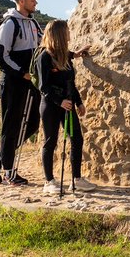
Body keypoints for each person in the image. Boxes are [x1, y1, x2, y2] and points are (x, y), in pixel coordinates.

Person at [0, 0, 42, 185]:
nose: (35, 2)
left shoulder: (33, 23)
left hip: (30, 82)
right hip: (13, 83)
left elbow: (44, 47)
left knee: (34, 123)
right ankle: (9, 173)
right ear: (21, 1)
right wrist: (21, 73)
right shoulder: (10, 23)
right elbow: (1, 56)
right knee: (10, 127)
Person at [36, 19, 94, 195]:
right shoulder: (44, 57)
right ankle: (49, 181)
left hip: (67, 107)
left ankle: (76, 180)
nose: (69, 34)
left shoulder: (65, 56)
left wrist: (79, 102)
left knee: (76, 138)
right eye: (67, 31)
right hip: (51, 106)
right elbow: (43, 86)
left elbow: (70, 83)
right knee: (50, 142)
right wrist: (59, 101)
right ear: (59, 34)